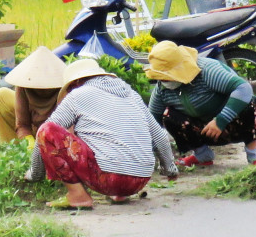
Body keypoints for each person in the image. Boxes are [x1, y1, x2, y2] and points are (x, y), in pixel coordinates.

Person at [26, 59, 177, 208]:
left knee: (47, 130)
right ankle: (119, 194)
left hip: (107, 178)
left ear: (75, 83)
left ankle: (77, 196)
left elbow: (44, 131)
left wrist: (35, 173)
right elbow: (160, 136)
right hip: (140, 179)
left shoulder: (77, 95)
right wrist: (169, 168)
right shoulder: (132, 95)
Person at [147, 41, 256, 167]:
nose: (164, 81)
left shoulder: (207, 70)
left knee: (251, 104)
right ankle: (202, 154)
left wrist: (221, 120)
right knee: (168, 116)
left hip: (232, 124)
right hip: (204, 132)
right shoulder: (162, 89)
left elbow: (244, 89)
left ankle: (253, 155)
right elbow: (151, 123)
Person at [0, 47, 69, 143]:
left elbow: (68, 126)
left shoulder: (65, 89)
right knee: (1, 96)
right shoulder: (25, 84)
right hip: (34, 128)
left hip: (57, 133)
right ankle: (12, 150)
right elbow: (22, 124)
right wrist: (28, 141)